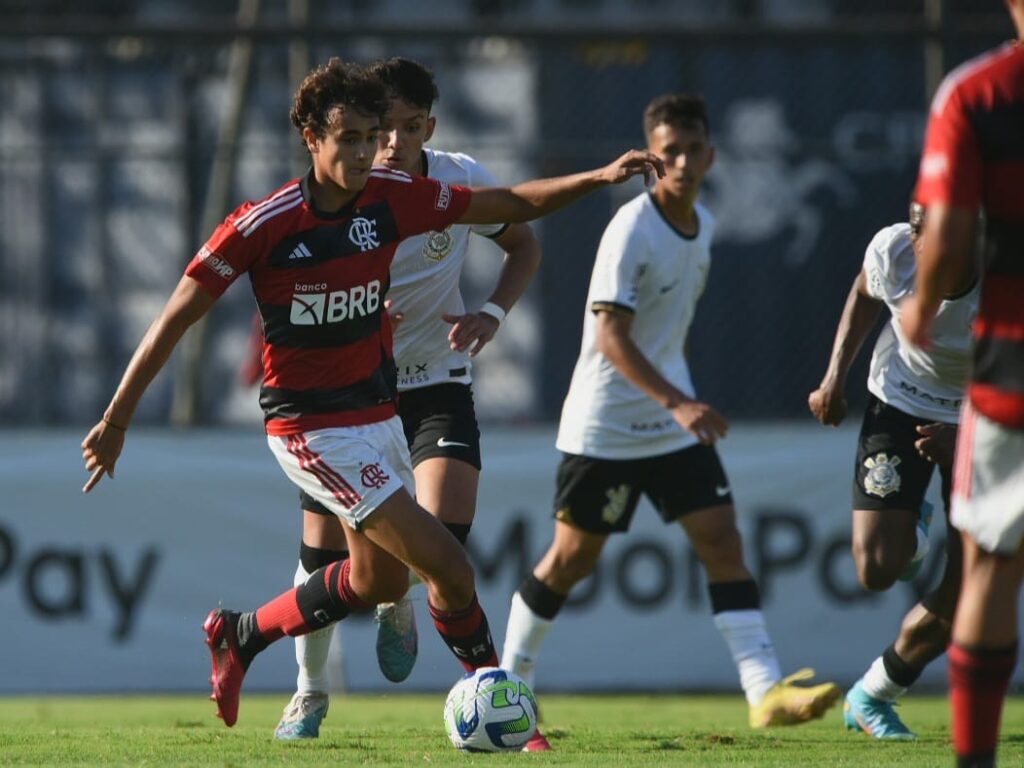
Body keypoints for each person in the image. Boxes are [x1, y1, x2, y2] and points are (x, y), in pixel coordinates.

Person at [80, 57, 663, 729]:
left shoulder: (393, 197)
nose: (364, 153)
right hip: (310, 427)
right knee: (448, 564)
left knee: (379, 583)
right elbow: (175, 318)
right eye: (350, 139)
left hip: (378, 412)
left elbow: (510, 207)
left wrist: (597, 178)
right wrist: (116, 420)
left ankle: (241, 634)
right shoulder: (261, 224)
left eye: (370, 136)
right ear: (311, 139)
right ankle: (512, 718)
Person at [499, 94, 840, 752]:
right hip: (605, 425)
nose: (682, 162)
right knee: (572, 559)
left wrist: (677, 405)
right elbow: (610, 337)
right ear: (651, 160)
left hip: (668, 421)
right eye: (668, 152)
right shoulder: (631, 230)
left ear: (712, 156)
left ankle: (764, 691)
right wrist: (678, 402)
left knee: (721, 540)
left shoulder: (704, 223)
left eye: (692, 150)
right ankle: (512, 689)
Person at [271, 57, 543, 740]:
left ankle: (429, 631)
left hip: (435, 381)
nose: (390, 144)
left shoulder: (458, 181)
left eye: (408, 128)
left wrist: (493, 314)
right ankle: (309, 691)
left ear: (431, 126)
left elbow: (523, 245)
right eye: (379, 129)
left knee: (444, 543)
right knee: (323, 558)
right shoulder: (348, 194)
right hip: (352, 396)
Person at [901, 6, 1024, 766]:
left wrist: (920, 304)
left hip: (1012, 361)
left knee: (989, 563)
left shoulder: (977, 93)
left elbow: (944, 246)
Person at [808, 202, 976, 740]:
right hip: (898, 400)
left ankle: (873, 695)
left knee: (969, 593)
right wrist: (835, 376)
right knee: (878, 569)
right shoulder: (892, 250)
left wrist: (967, 438)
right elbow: (864, 292)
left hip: (984, 418)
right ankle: (913, 526)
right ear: (916, 240)